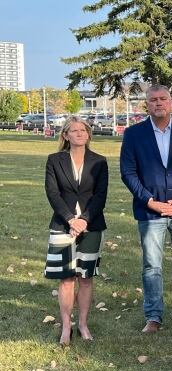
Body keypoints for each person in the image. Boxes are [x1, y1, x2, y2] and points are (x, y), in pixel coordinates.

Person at [120, 85, 172, 333]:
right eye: (153, 99)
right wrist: (149, 201)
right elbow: (128, 172)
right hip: (150, 211)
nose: (158, 103)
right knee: (152, 265)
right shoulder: (134, 134)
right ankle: (154, 316)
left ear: (171, 103)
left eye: (163, 99)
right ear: (147, 104)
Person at [44, 116, 108, 346]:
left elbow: (101, 195)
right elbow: (53, 193)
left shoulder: (100, 162)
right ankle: (65, 327)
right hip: (63, 225)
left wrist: (84, 220)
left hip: (92, 226)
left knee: (86, 277)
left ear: (89, 135)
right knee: (66, 278)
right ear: (65, 135)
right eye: (74, 130)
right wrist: (71, 219)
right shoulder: (54, 160)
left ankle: (82, 324)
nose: (80, 133)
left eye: (83, 130)